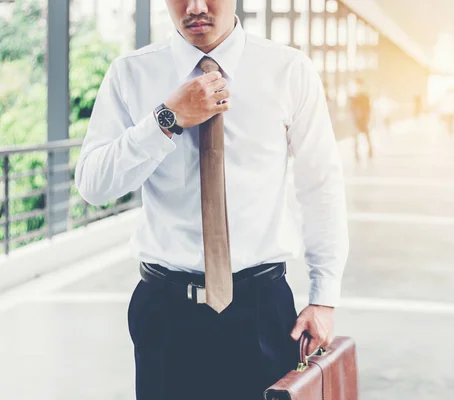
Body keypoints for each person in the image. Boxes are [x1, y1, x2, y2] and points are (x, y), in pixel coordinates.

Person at [74, 1, 349, 399]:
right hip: (165, 310)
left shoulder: (288, 70)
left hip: (263, 309)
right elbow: (93, 184)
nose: (196, 7)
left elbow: (320, 186)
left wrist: (324, 298)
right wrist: (165, 119)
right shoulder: (131, 73)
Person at [349, 77, 373, 160]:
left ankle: (368, 150)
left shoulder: (362, 96)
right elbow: (352, 108)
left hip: (362, 118)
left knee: (364, 134)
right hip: (358, 119)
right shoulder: (357, 96)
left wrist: (367, 117)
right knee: (359, 135)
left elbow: (368, 108)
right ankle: (357, 151)